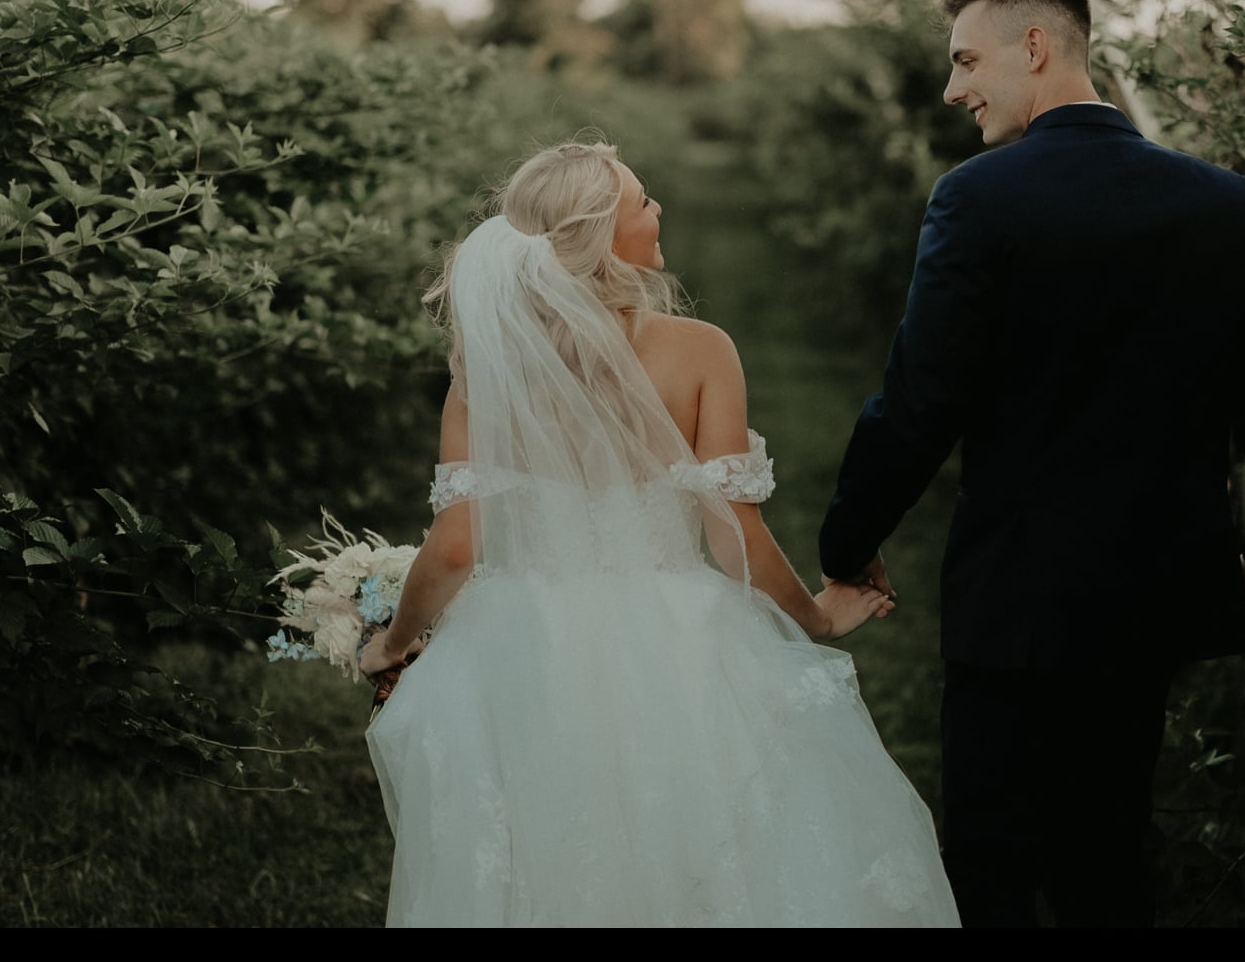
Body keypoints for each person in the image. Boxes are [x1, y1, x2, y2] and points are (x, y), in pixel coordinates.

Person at [818, 0, 1245, 928]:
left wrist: (850, 543)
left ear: (1037, 47)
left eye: (967, 61)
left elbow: (920, 404)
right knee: (1108, 852)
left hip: (1018, 594)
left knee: (988, 859)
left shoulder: (979, 199)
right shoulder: (1218, 201)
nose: (953, 87)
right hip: (1156, 589)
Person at [357, 139, 959, 927]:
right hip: (680, 639)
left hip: (525, 650)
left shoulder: (487, 375)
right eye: (642, 201)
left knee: (536, 851)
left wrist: (394, 641)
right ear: (601, 233)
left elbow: (456, 548)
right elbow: (729, 530)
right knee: (713, 845)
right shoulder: (700, 351)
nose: (659, 208)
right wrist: (812, 617)